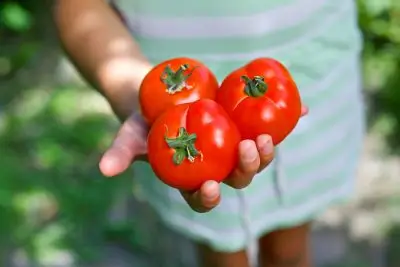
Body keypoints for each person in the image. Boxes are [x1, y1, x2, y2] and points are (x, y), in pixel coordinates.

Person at [54, 0, 365, 266]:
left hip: (316, 76)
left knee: (289, 249)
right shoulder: (171, 115)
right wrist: (132, 92)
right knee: (220, 250)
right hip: (162, 86)